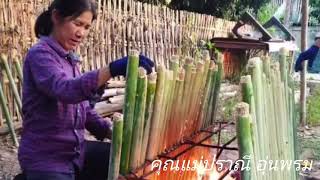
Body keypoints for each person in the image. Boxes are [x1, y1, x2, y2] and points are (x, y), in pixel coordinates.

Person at [16, 0, 154, 180]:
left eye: (87, 27)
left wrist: (110, 132)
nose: (81, 33)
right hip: (47, 157)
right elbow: (66, 90)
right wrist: (111, 70)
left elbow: (83, 110)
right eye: (77, 23)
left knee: (125, 162)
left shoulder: (69, 60)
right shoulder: (40, 55)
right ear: (57, 17)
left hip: (75, 152)